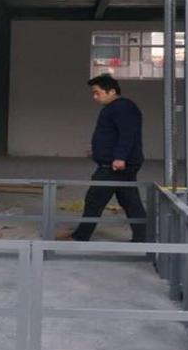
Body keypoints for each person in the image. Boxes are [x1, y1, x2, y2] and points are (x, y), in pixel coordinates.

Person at [58, 74, 147, 242]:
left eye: (97, 93)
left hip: (114, 166)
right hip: (117, 164)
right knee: (130, 201)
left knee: (94, 199)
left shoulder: (122, 108)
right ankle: (143, 237)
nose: (95, 97)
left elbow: (127, 134)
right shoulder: (115, 108)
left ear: (111, 91)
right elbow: (113, 135)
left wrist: (120, 158)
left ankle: (80, 236)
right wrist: (98, 152)